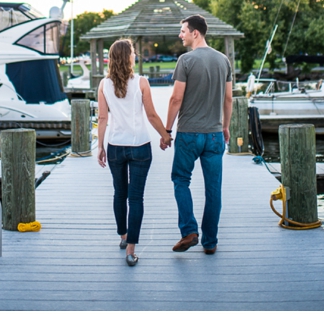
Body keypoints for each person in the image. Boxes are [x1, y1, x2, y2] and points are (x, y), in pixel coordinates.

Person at [97, 39, 172, 266]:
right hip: (140, 146)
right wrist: (165, 135)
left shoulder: (103, 84)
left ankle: (123, 235)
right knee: (135, 197)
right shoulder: (141, 82)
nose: (135, 54)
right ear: (127, 57)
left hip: (115, 147)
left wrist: (100, 146)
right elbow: (151, 115)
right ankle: (131, 249)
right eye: (133, 52)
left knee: (120, 193)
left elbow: (102, 118)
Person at [165, 14, 233, 254]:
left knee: (181, 180)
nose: (180, 35)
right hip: (215, 135)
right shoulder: (223, 60)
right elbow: (228, 99)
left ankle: (189, 230)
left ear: (196, 32)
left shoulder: (186, 61)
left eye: (183, 30)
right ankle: (210, 243)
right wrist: (225, 126)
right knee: (213, 189)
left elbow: (175, 99)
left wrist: (166, 129)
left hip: (188, 135)